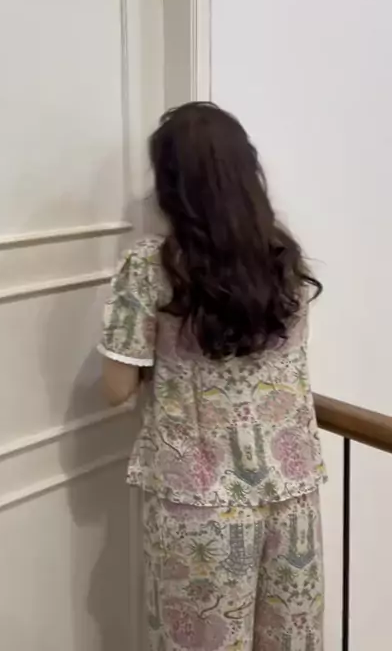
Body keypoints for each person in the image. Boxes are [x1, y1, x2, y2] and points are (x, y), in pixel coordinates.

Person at [98, 102, 326, 651]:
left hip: (200, 501)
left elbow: (116, 389)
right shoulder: (285, 262)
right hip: (292, 493)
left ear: (173, 186)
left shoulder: (151, 268)